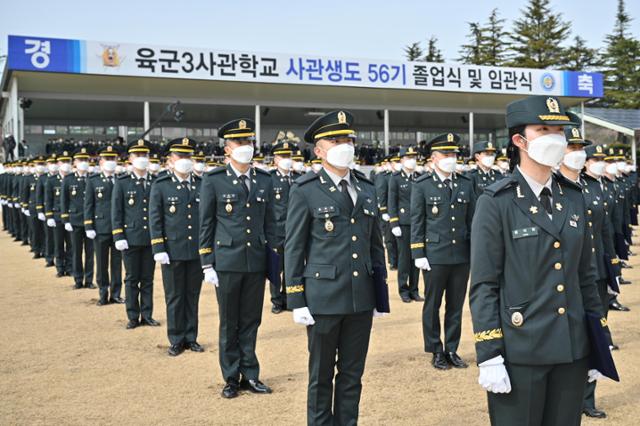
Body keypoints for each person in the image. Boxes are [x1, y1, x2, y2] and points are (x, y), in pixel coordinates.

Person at [469, 95, 610, 425]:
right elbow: (485, 285)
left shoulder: (574, 197)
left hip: (572, 348)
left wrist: (597, 340)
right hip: (522, 351)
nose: (555, 138)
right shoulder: (497, 202)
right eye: (543, 129)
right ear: (520, 140)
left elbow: (586, 276)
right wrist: (489, 354)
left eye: (559, 130)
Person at [285, 110, 389, 425]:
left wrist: (380, 296)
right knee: (320, 376)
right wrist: (296, 298)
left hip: (360, 298)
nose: (344, 144)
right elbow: (294, 247)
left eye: (347, 139)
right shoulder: (305, 189)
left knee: (352, 375)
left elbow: (375, 246)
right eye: (335, 139)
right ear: (319, 150)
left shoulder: (366, 187)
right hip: (323, 298)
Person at [198, 118, 276, 398]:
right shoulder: (214, 179)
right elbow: (206, 223)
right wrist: (207, 262)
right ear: (227, 149)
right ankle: (231, 376)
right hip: (227, 261)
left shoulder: (264, 179)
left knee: (251, 320)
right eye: (239, 142)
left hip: (255, 260)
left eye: (249, 142)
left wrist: (273, 261)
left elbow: (270, 224)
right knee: (229, 321)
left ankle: (251, 374)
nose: (246, 147)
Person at [410, 133, 476, 370]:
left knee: (456, 305)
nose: (451, 159)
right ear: (433, 159)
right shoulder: (422, 185)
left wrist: (474, 252)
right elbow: (417, 220)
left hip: (460, 255)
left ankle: (452, 348)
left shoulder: (466, 184)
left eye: (454, 154)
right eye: (446, 155)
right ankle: (435, 349)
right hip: (435, 255)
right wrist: (418, 253)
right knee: (432, 304)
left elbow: (472, 221)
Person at [149, 138, 204, 356]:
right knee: (174, 296)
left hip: (195, 251)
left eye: (188, 156)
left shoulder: (201, 183)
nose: (185, 160)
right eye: (180, 156)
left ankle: (191, 337)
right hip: (172, 251)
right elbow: (155, 219)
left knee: (192, 295)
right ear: (170, 160)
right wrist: (158, 248)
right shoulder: (161, 185)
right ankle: (176, 338)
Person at [112, 139, 160, 329]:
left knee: (148, 278)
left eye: (144, 155)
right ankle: (133, 316)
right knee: (132, 278)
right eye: (137, 155)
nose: (141, 158)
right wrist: (118, 235)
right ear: (130, 158)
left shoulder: (156, 182)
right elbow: (117, 212)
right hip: (130, 238)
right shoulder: (122, 182)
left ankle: (147, 314)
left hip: (150, 238)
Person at [84, 145, 124, 306]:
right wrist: (89, 226)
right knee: (101, 263)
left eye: (113, 159)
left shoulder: (121, 180)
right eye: (107, 159)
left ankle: (116, 293)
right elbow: (88, 205)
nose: (110, 162)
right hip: (100, 228)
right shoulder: (93, 181)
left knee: (116, 264)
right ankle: (103, 293)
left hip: (118, 229)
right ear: (100, 162)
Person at [268, 138, 300, 314]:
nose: (287, 159)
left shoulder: (298, 178)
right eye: (283, 156)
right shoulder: (270, 179)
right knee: (276, 268)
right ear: (276, 160)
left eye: (288, 155)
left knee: (292, 267)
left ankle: (289, 298)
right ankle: (276, 301)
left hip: (294, 231)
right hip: (276, 231)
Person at [388, 146, 423, 302]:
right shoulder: (395, 178)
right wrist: (394, 223)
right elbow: (392, 202)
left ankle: (414, 290)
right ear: (401, 160)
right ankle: (403, 289)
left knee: (417, 257)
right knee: (404, 258)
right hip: (403, 224)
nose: (412, 161)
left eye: (414, 158)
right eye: (409, 158)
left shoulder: (419, 177)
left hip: (418, 223)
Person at [61, 147, 95, 289]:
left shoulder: (93, 179)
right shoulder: (69, 179)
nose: (83, 162)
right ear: (74, 162)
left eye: (86, 160)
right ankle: (78, 280)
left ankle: (88, 280)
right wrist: (65, 219)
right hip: (75, 220)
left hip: (91, 222)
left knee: (90, 253)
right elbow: (64, 200)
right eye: (81, 160)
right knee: (76, 251)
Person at [45, 151, 73, 277]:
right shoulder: (51, 181)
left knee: (71, 244)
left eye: (68, 162)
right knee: (59, 243)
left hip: (71, 216)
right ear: (58, 163)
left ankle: (70, 267)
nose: (66, 164)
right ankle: (60, 268)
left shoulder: (73, 179)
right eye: (63, 162)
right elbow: (48, 199)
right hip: (57, 216)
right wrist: (49, 215)